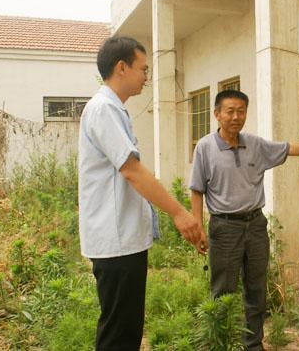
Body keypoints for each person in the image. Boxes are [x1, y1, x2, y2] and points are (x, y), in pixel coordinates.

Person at [190, 89, 299, 351]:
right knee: (222, 290)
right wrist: (197, 228)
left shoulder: (255, 144)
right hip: (224, 227)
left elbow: (288, 148)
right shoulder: (204, 148)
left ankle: (253, 344)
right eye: (230, 111)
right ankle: (219, 343)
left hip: (256, 226)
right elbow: (197, 189)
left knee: (256, 288)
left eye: (241, 111)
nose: (236, 116)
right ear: (217, 114)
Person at [78, 36, 207, 350]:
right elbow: (132, 171)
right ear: (121, 67)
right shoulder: (103, 109)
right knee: (119, 336)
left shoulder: (113, 110)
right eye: (143, 68)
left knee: (126, 330)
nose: (146, 76)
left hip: (123, 242)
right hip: (116, 243)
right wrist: (179, 213)